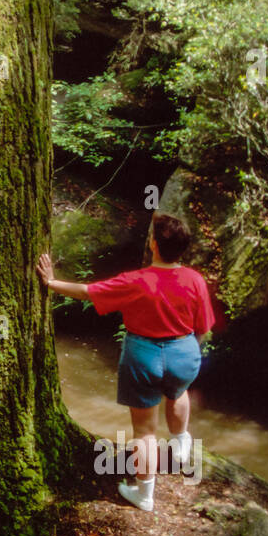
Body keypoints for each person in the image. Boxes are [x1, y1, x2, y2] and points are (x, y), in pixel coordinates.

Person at [36, 213, 215, 513]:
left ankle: (145, 495)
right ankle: (180, 444)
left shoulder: (136, 281)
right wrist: (185, 353)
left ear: (154, 245)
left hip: (143, 356)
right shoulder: (195, 280)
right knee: (177, 391)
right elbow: (205, 327)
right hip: (184, 352)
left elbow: (88, 292)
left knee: (144, 432)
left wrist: (51, 282)